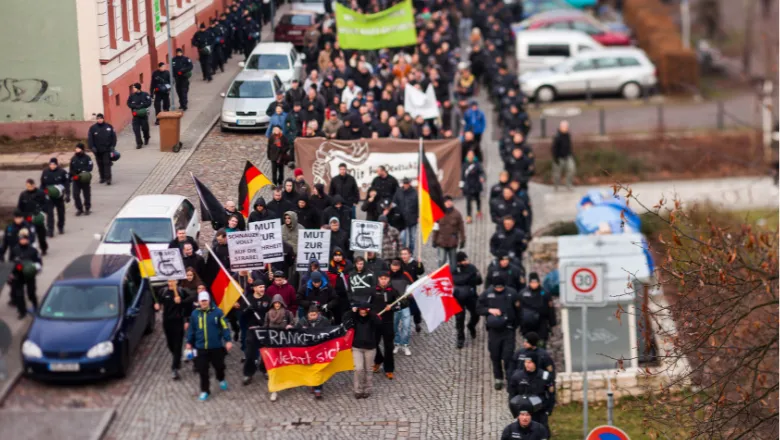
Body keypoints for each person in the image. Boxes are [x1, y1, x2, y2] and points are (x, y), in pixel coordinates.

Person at [186, 291, 233, 401]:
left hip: (216, 346)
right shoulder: (195, 314)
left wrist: (228, 340)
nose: (204, 303)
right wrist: (189, 342)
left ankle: (220, 378)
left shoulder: (217, 313)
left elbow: (224, 327)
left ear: (209, 300)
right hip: (201, 347)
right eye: (202, 301)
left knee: (219, 366)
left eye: (205, 300)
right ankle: (205, 390)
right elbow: (191, 330)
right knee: (203, 370)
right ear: (199, 301)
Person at [477, 274, 519, 390]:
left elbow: (519, 311)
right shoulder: (487, 294)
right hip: (494, 331)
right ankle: (498, 378)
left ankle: (510, 379)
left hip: (508, 329)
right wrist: (489, 310)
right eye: (497, 288)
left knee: (508, 356)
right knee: (495, 356)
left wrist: (515, 325)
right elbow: (478, 308)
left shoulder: (512, 293)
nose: (499, 289)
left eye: (501, 287)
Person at [154, 280, 195, 380]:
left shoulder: (181, 292)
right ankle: (177, 358)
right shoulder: (163, 291)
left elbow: (190, 302)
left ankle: (174, 368)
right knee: (170, 344)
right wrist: (157, 306)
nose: (170, 283)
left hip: (178, 322)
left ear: (176, 281)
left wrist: (181, 302)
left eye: (172, 281)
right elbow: (158, 303)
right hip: (167, 321)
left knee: (177, 345)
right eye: (168, 281)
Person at [343, 303, 382, 399]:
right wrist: (352, 311)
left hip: (370, 348)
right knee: (358, 369)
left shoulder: (372, 318)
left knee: (368, 369)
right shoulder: (355, 318)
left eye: (365, 311)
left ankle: (367, 389)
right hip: (357, 348)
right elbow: (344, 319)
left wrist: (371, 312)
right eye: (361, 311)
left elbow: (379, 323)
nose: (363, 313)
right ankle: (358, 390)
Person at [507, 352, 556, 429]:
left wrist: (548, 410)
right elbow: (512, 394)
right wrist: (515, 410)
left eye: (530, 362)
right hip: (524, 412)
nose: (527, 365)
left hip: (540, 411)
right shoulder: (517, 377)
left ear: (535, 363)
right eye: (526, 362)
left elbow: (551, 394)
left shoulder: (545, 376)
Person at [296, 305, 332, 399]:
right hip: (308, 349)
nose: (312, 317)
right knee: (310, 368)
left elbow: (330, 332)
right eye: (311, 315)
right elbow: (296, 332)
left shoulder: (324, 321)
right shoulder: (303, 321)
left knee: (319, 368)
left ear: (318, 314)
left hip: (320, 348)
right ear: (308, 314)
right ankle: (312, 384)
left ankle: (318, 389)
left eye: (314, 315)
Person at [264, 294, 295, 402]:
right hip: (273, 345)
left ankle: (288, 381)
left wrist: (290, 326)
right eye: (275, 303)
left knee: (286, 364)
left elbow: (293, 323)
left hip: (284, 344)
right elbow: (265, 328)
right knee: (274, 367)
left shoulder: (287, 313)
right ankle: (275, 390)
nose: (277, 305)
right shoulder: (268, 314)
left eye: (279, 303)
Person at [371, 271, 401, 380]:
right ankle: (378, 360)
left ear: (388, 280)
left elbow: (400, 305)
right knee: (373, 343)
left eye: (385, 278)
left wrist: (392, 307)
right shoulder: (373, 290)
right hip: (376, 322)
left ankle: (389, 369)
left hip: (388, 323)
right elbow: (368, 305)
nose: (383, 280)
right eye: (381, 278)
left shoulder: (393, 291)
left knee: (388, 347)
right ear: (378, 279)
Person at [242, 281, 271, 386]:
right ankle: (248, 373)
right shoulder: (248, 299)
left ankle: (265, 369)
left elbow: (271, 313)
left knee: (266, 352)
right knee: (250, 352)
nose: (262, 289)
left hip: (264, 329)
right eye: (260, 287)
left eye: (263, 286)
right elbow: (242, 316)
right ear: (254, 288)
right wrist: (247, 310)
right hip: (252, 330)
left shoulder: (268, 299)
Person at [8, 229, 41, 319]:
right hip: (18, 275)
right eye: (21, 239)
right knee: (19, 295)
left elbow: (38, 262)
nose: (23, 241)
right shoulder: (15, 250)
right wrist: (11, 273)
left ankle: (35, 306)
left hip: (29, 275)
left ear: (28, 240)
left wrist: (36, 268)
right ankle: (22, 312)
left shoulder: (33, 250)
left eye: (25, 239)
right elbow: (10, 262)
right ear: (19, 240)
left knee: (31, 292)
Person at [453, 251, 482, 348]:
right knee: (459, 319)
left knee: (476, 313)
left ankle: (471, 325)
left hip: (471, 296)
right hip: (458, 298)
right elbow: (455, 280)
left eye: (466, 259)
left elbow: (479, 281)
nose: (467, 261)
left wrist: (475, 277)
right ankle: (460, 338)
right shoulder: (453, 269)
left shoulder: (472, 267)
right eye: (464, 260)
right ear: (459, 262)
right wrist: (469, 277)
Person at [518, 273, 555, 346]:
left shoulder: (545, 293)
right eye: (532, 283)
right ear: (529, 283)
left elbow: (550, 309)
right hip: (528, 323)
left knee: (541, 343)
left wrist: (552, 323)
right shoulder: (523, 293)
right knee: (529, 344)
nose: (534, 284)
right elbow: (519, 310)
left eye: (536, 282)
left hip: (541, 322)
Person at [388, 260, 413, 356]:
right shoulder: (387, 275)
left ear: (399, 267)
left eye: (396, 269)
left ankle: (405, 344)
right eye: (392, 268)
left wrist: (409, 295)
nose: (394, 270)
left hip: (404, 305)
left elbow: (412, 286)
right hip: (393, 306)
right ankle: (397, 343)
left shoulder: (405, 275)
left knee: (406, 326)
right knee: (394, 326)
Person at [432, 196, 465, 269]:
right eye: (447, 202)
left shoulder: (457, 214)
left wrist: (463, 240)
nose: (449, 203)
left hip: (452, 242)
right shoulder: (439, 213)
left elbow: (461, 228)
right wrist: (434, 240)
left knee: (453, 262)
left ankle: (453, 276)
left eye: (450, 201)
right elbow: (436, 228)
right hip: (441, 241)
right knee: (442, 260)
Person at [17, 179, 48, 255]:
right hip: (28, 219)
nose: (29, 188)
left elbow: (46, 204)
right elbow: (20, 207)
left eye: (30, 186)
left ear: (34, 185)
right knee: (28, 236)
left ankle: (43, 248)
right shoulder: (23, 194)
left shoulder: (40, 193)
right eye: (27, 186)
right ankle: (29, 250)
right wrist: (21, 216)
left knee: (41, 236)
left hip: (38, 218)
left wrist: (41, 211)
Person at [40, 157, 70, 235]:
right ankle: (50, 230)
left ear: (57, 165)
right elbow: (42, 185)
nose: (52, 166)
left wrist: (67, 194)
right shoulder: (45, 172)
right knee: (50, 214)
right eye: (51, 164)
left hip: (59, 197)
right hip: (49, 197)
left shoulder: (62, 172)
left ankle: (61, 227)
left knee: (61, 213)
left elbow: (67, 183)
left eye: (54, 164)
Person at [399, 248, 424, 333]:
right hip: (403, 289)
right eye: (402, 254)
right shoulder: (400, 264)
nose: (403, 256)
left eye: (405, 254)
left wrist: (420, 263)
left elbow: (420, 272)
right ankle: (406, 325)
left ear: (410, 255)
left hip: (414, 289)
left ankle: (417, 322)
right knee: (405, 307)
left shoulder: (414, 263)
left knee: (416, 308)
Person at [87, 113, 117, 185]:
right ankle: (102, 177)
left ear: (103, 119)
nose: (99, 120)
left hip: (106, 149)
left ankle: (108, 179)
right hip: (97, 150)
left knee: (106, 164)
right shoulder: (92, 128)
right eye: (98, 119)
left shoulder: (109, 127)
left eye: (101, 118)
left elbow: (114, 137)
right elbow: (90, 139)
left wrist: (113, 146)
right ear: (96, 119)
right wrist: (92, 147)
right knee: (100, 164)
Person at [392, 178, 419, 254]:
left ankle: (411, 253)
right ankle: (403, 254)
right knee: (402, 238)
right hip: (402, 220)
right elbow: (394, 203)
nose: (406, 185)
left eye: (407, 183)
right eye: (404, 183)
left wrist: (418, 216)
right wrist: (396, 213)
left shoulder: (414, 192)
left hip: (412, 219)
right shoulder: (398, 192)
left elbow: (418, 205)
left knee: (412, 238)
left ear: (409, 183)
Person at [461, 150, 485, 223]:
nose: (470, 156)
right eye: (469, 155)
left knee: (477, 199)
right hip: (468, 185)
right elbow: (462, 176)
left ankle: (478, 210)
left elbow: (482, 172)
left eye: (472, 155)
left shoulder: (477, 164)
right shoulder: (464, 165)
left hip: (476, 184)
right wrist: (461, 186)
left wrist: (482, 177)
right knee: (468, 202)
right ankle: (469, 216)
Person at [69, 143, 93, 216]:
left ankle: (87, 208)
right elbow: (71, 169)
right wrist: (74, 176)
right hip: (76, 180)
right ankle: (79, 209)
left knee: (86, 194)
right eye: (76, 148)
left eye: (78, 148)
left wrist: (83, 172)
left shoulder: (87, 158)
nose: (76, 150)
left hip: (85, 179)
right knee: (75, 195)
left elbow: (90, 167)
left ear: (82, 149)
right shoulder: (73, 159)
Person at [552, 120, 576, 191]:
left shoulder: (568, 135)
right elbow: (554, 148)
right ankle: (556, 186)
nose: (566, 128)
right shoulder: (557, 136)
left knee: (571, 170)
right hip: (559, 158)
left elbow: (569, 146)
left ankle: (568, 185)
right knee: (557, 174)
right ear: (560, 127)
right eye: (564, 127)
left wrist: (571, 154)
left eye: (566, 127)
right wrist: (555, 158)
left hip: (568, 157)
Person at [127, 83, 152, 149]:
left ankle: (146, 137)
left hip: (143, 116)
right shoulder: (132, 96)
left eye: (134, 88)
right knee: (136, 130)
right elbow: (128, 103)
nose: (133, 89)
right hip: (135, 116)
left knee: (145, 129)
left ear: (138, 88)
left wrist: (142, 106)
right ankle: (139, 143)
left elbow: (149, 102)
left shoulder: (145, 94)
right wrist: (134, 106)